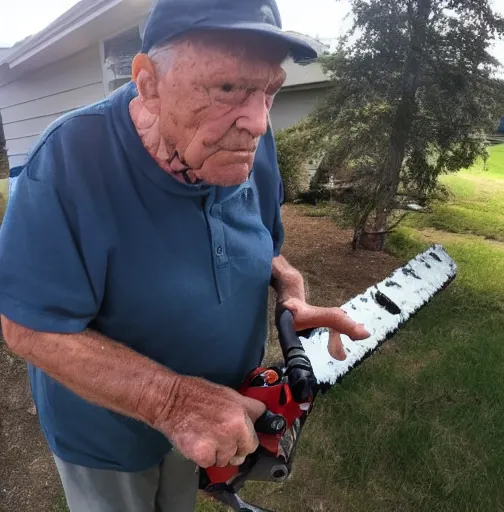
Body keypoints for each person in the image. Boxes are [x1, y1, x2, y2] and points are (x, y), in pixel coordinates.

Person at [0, 0, 369, 510]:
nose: (258, 122)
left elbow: (263, 244)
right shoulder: (67, 161)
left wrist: (289, 288)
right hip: (109, 441)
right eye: (227, 88)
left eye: (269, 89)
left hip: (212, 421)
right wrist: (173, 403)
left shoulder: (250, 144)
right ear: (148, 81)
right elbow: (29, 326)